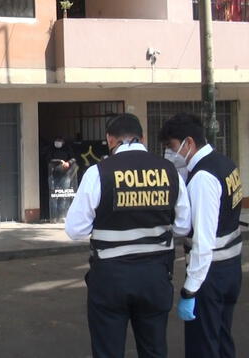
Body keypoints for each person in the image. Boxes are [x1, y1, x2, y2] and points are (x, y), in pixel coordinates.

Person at [65, 113, 191, 358]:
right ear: (142, 138)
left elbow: (75, 229)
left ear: (110, 140)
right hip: (155, 276)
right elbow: (184, 226)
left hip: (110, 278)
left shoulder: (97, 173)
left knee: (108, 350)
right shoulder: (169, 171)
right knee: (154, 349)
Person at [160, 113, 243, 358]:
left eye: (171, 147)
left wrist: (190, 289)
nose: (170, 153)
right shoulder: (225, 164)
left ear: (189, 143)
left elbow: (203, 240)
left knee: (203, 346)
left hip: (210, 275)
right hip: (230, 269)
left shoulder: (203, 178)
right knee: (221, 337)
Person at [44, 136, 78, 222]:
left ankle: (63, 215)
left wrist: (68, 163)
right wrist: (59, 161)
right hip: (52, 175)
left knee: (64, 196)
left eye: (60, 141)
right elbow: (48, 159)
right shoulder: (51, 149)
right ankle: (54, 217)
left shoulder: (67, 149)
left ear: (63, 142)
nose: (58, 142)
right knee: (53, 196)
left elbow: (74, 158)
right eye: (56, 140)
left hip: (66, 176)